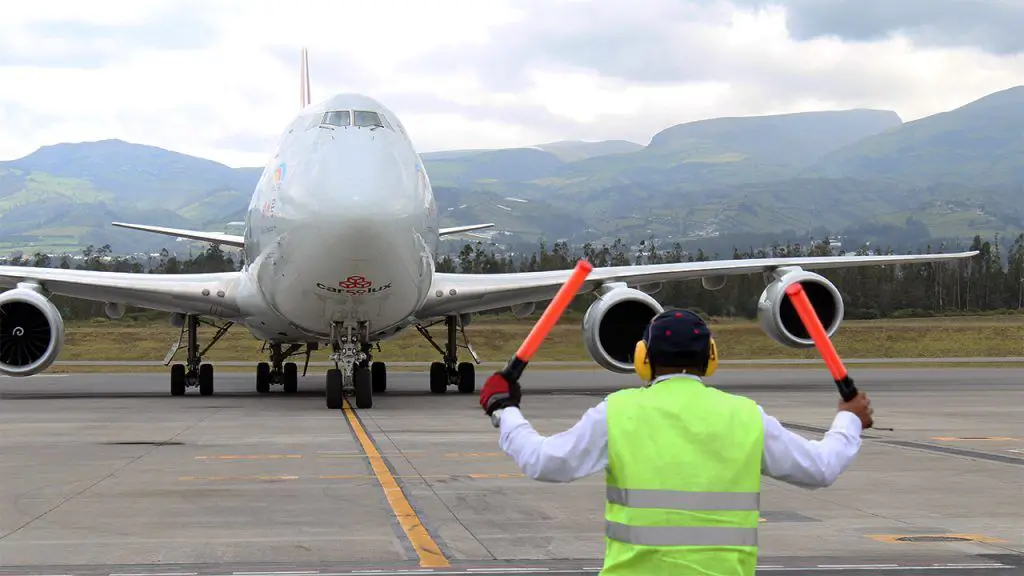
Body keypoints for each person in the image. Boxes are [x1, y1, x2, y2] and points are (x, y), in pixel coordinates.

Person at [479, 309, 873, 576]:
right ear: (711, 358)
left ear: (642, 358)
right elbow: (822, 467)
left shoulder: (618, 412)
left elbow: (544, 462)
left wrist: (504, 410)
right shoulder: (745, 416)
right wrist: (849, 419)